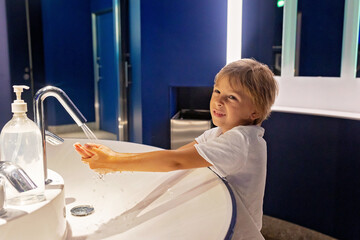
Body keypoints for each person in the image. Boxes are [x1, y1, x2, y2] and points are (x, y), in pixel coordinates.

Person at [74, 58, 278, 239]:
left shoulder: (241, 141)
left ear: (255, 111)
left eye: (232, 97)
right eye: (217, 91)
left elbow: (176, 161)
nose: (218, 100)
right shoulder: (218, 133)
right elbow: (178, 156)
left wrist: (113, 161)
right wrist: (115, 158)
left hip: (239, 233)